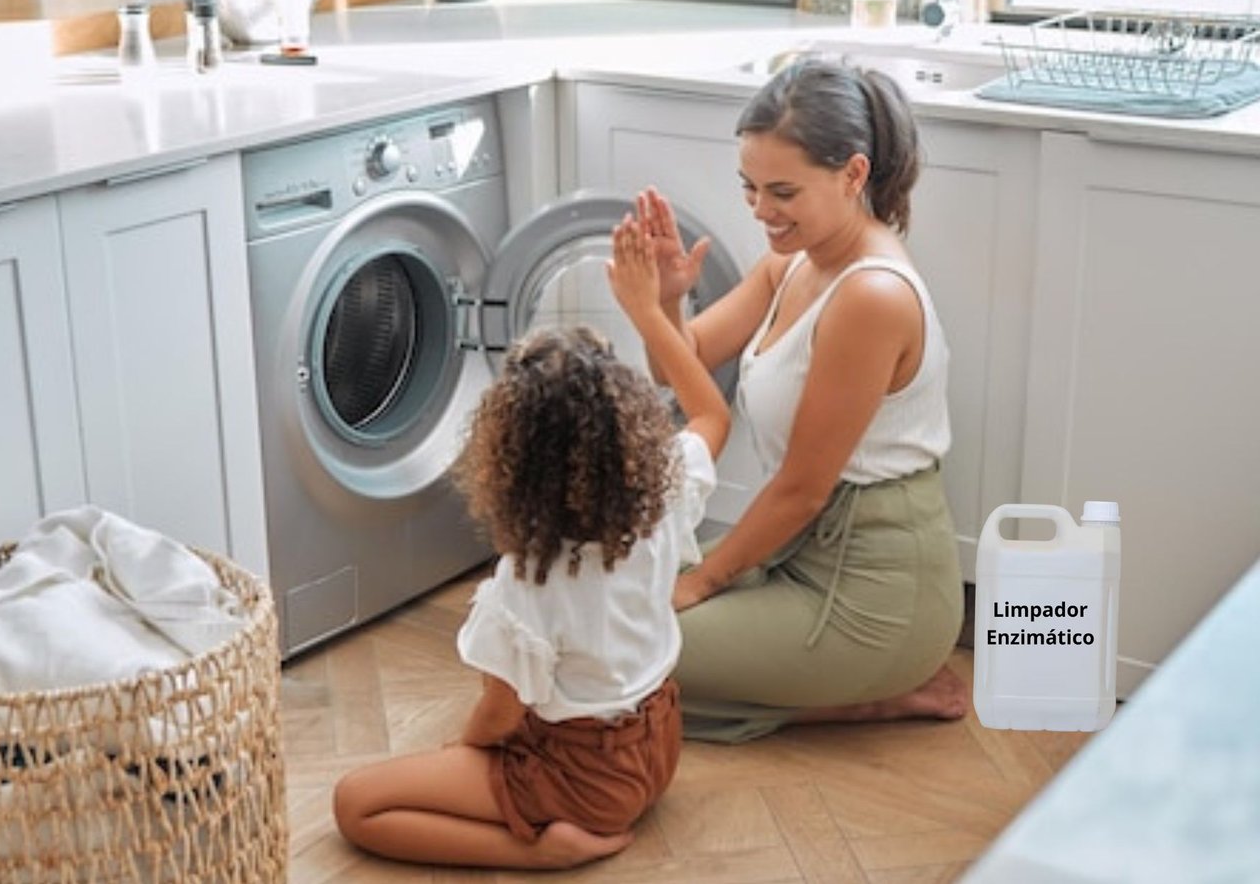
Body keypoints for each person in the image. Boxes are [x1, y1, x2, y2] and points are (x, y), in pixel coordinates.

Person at [331, 225, 731, 869]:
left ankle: (543, 854)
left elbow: (498, 715)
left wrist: (461, 754)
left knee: (356, 804)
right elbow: (711, 415)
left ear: (511, 459)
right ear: (625, 426)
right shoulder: (663, 497)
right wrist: (651, 312)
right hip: (658, 751)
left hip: (586, 781)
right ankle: (557, 818)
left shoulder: (529, 580)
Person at [633, 58, 969, 744]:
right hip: (794, 550)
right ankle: (820, 684)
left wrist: (697, 586)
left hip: (871, 588)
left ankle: (867, 694)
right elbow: (677, 370)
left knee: (614, 658)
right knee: (602, 611)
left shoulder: (870, 297)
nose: (759, 211)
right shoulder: (789, 264)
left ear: (852, 175)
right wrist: (666, 299)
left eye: (781, 191)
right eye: (750, 188)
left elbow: (802, 490)